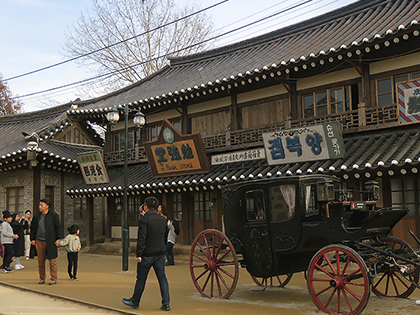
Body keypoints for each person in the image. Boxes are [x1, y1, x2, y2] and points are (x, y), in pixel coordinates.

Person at [122, 197, 170, 311]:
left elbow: (141, 239)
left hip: (147, 254)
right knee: (162, 278)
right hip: (160, 253)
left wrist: (139, 254)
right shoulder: (163, 219)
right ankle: (166, 303)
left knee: (141, 279)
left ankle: (135, 301)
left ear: (146, 206)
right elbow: (165, 236)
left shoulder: (144, 220)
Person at [30, 199, 61, 285]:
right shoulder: (36, 216)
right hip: (39, 241)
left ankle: (54, 278)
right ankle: (42, 277)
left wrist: (58, 239)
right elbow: (33, 229)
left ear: (47, 206)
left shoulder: (54, 216)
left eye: (42, 205)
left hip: (51, 241)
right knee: (41, 261)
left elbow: (58, 227)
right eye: (39, 205)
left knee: (52, 261)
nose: (40, 207)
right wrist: (32, 239)